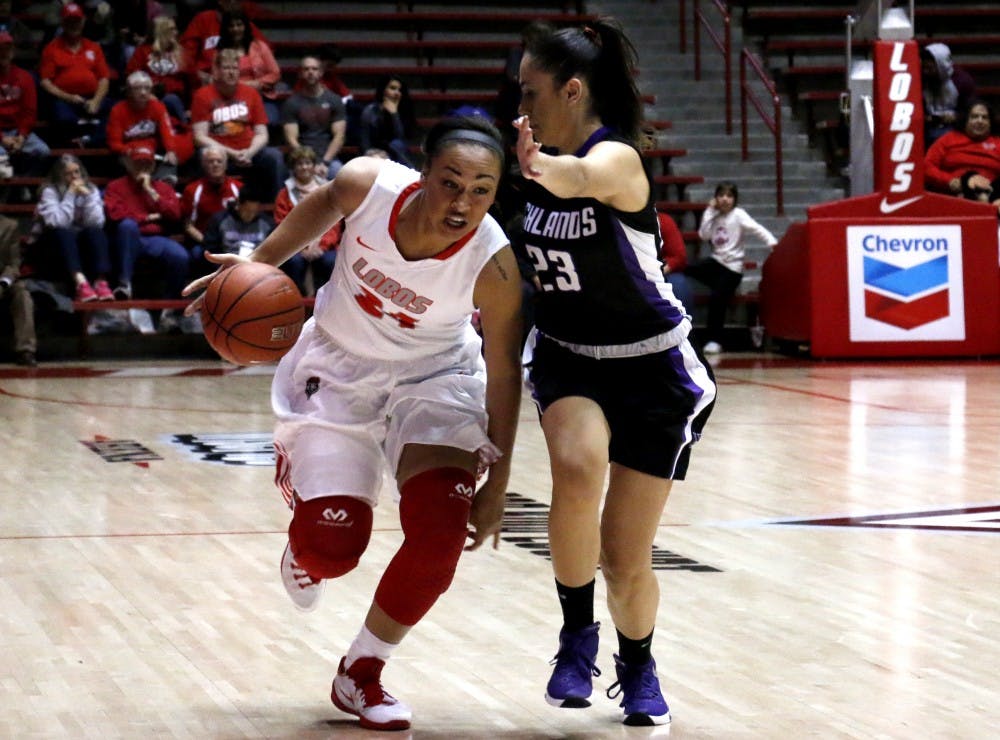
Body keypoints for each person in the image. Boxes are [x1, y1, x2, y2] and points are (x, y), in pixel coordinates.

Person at [181, 115, 523, 732]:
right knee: (334, 550)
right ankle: (306, 545)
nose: (462, 202)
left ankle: (361, 672)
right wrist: (253, 267)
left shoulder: (494, 265)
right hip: (339, 369)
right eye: (451, 182)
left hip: (436, 378)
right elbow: (321, 206)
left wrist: (497, 483)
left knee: (441, 534)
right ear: (423, 175)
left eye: (481, 190)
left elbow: (504, 374)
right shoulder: (369, 183)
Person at [513, 18, 716, 727]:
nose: (522, 106)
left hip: (654, 369)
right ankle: (576, 636)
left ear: (572, 91)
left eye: (531, 92)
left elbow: (579, 180)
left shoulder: (616, 160)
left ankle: (638, 662)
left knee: (627, 561)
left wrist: (540, 164)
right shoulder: (527, 167)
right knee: (576, 465)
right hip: (570, 354)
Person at [688, 181, 776, 354]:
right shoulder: (713, 214)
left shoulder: (739, 215)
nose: (725, 199)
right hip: (716, 262)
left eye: (729, 196)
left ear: (735, 199)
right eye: (721, 195)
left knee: (717, 297)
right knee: (687, 267)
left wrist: (772, 242)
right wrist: (709, 210)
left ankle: (715, 339)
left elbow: (756, 229)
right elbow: (703, 235)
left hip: (732, 268)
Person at [103, 145, 189, 317]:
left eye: (147, 164)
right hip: (127, 239)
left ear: (153, 167)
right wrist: (148, 217)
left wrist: (150, 191)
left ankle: (170, 305)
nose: (142, 168)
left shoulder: (162, 188)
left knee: (181, 256)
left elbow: (174, 213)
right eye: (138, 163)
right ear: (129, 165)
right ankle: (124, 284)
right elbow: (115, 215)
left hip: (155, 238)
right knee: (127, 226)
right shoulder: (115, 187)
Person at [191, 48, 284, 201]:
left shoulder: (251, 93)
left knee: (274, 156)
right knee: (204, 155)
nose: (231, 72)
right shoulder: (202, 95)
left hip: (249, 153)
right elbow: (199, 137)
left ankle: (278, 206)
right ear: (217, 71)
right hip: (220, 152)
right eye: (226, 68)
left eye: (235, 68)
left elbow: (262, 133)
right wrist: (231, 154)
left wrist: (249, 152)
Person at [33, 154, 114, 302]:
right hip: (53, 247)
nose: (74, 176)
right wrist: (70, 194)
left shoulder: (91, 189)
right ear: (60, 175)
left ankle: (101, 282)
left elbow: (96, 222)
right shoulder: (50, 191)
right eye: (68, 173)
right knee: (64, 233)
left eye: (77, 171)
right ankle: (81, 283)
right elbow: (58, 223)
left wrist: (88, 197)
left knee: (96, 232)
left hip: (81, 246)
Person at [38, 2, 114, 147]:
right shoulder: (51, 48)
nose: (74, 25)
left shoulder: (93, 47)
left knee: (117, 109)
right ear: (63, 23)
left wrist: (96, 101)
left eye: (77, 21)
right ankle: (76, 141)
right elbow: (45, 82)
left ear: (83, 21)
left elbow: (104, 79)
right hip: (65, 99)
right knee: (62, 117)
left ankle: (92, 141)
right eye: (69, 21)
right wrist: (69, 97)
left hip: (91, 97)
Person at [273, 146, 340, 295]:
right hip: (294, 247)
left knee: (331, 261)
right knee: (294, 262)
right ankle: (294, 301)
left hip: (324, 245)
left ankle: (327, 300)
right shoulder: (284, 193)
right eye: (299, 163)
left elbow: (335, 222)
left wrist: (321, 246)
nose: (304, 167)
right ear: (293, 167)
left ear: (314, 166)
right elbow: (282, 224)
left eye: (308, 163)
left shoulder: (328, 190)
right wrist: (301, 248)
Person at [106, 71, 183, 185]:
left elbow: (167, 132)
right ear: (129, 91)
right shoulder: (118, 110)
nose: (143, 92)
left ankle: (163, 186)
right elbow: (113, 142)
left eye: (147, 88)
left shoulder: (158, 106)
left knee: (171, 158)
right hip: (128, 151)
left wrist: (170, 150)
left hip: (152, 150)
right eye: (138, 88)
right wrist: (129, 150)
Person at [282, 55, 348, 180]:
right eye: (306, 69)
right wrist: (308, 163)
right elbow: (291, 138)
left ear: (321, 72)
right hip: (302, 160)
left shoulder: (334, 100)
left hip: (328, 159)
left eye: (314, 69)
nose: (310, 72)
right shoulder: (291, 103)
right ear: (300, 73)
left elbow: (339, 136)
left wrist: (325, 162)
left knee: (340, 174)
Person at [924, 100, 1000, 206]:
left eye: (984, 118)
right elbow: (927, 167)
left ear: (990, 122)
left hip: (993, 192)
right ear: (966, 120)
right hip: (955, 193)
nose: (980, 121)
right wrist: (952, 181)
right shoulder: (948, 139)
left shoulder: (997, 142)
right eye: (974, 117)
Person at [181, 145, 241, 274]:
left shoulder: (238, 188)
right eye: (210, 161)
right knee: (198, 254)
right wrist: (210, 243)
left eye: (219, 161)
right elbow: (188, 226)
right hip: (204, 242)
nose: (215, 164)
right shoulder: (192, 190)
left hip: (235, 240)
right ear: (203, 165)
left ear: (225, 165)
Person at [215, 8, 282, 124]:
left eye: (239, 25)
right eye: (231, 26)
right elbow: (217, 79)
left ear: (245, 26)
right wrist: (244, 87)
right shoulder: (220, 52)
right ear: (226, 28)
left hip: (261, 96)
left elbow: (275, 73)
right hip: (232, 98)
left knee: (271, 120)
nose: (235, 29)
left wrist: (257, 84)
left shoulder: (259, 46)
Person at [0, 29, 50, 178]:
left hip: (18, 131)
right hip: (1, 134)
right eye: (1, 49)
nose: (4, 53)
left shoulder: (24, 77)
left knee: (43, 151)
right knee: (2, 161)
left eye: (7, 49)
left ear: (13, 52)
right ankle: (6, 195)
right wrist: (2, 138)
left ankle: (22, 181)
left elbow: (30, 112)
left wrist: (21, 136)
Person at [181, 0, 266, 87]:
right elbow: (186, 55)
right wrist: (196, 74)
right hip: (207, 81)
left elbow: (265, 51)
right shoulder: (203, 19)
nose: (234, 1)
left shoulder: (241, 22)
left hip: (242, 80)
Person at [125, 15, 190, 123]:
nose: (176, 32)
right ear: (161, 31)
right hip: (147, 98)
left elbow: (191, 81)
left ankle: (185, 129)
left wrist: (191, 108)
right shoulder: (143, 52)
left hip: (176, 99)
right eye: (171, 29)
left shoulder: (181, 53)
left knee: (171, 100)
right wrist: (149, 95)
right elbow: (132, 77)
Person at [921, 42, 976, 148]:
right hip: (926, 126)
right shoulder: (921, 80)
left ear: (941, 65)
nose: (925, 72)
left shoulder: (962, 81)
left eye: (929, 68)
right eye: (924, 67)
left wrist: (956, 117)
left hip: (955, 126)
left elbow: (971, 109)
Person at [0, 213, 36, 366]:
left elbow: (14, 264)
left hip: (2, 279)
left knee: (22, 294)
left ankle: (25, 350)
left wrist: (3, 284)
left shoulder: (10, 225)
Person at [359, 75, 417, 168]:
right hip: (375, 153)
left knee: (396, 144)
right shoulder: (371, 110)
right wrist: (370, 154)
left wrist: (394, 114)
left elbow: (401, 138)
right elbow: (365, 138)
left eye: (399, 90)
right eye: (393, 88)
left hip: (397, 153)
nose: (397, 93)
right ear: (383, 90)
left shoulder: (405, 110)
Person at [202, 183, 272, 259]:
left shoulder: (267, 223)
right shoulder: (219, 220)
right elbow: (211, 250)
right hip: (227, 264)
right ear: (238, 204)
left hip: (257, 265)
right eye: (247, 211)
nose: (250, 216)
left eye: (254, 212)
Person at [657, 210, 694, 315]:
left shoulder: (663, 220)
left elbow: (679, 257)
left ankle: (683, 328)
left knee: (679, 284)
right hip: (630, 273)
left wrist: (658, 272)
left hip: (660, 271)